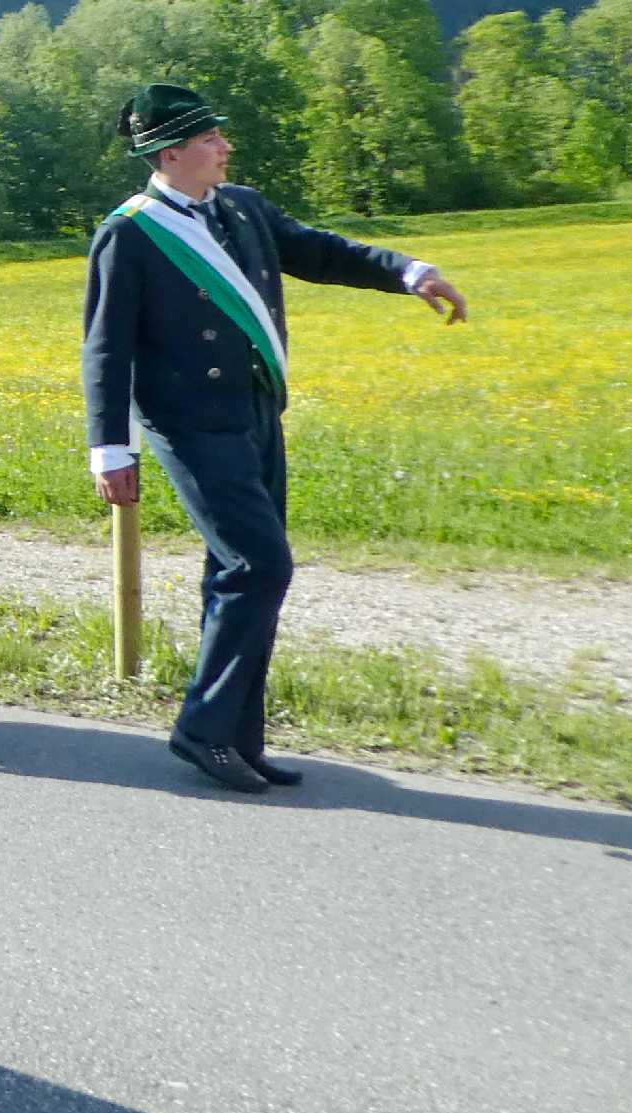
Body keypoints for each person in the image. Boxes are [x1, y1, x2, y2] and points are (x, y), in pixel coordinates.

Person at [83, 83, 466, 795]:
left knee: (236, 574)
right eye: (210, 140)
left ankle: (238, 739)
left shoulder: (243, 208)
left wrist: (408, 272)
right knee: (260, 566)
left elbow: (320, 253)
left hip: (257, 413)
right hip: (190, 426)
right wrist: (111, 448)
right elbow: (106, 349)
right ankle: (203, 729)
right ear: (171, 154)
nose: (225, 147)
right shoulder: (130, 233)